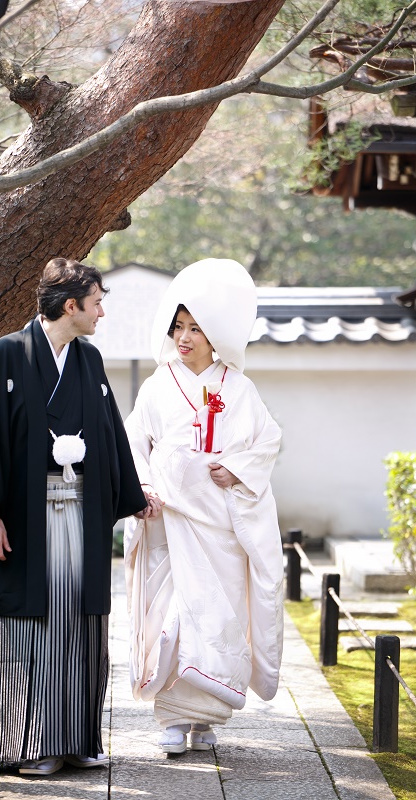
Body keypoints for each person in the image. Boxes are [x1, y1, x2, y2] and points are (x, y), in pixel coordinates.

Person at [0, 258, 148, 776]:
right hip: (25, 518)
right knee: (31, 626)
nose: (102, 312)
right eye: (98, 302)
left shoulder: (88, 360)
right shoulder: (8, 355)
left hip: (79, 514)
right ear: (72, 305)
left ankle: (77, 739)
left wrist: (134, 493)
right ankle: (30, 743)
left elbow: (110, 434)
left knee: (81, 624)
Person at [124, 258, 284, 754]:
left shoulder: (238, 388)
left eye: (195, 328)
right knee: (171, 618)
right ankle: (172, 719)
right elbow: (134, 445)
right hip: (170, 522)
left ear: (215, 335)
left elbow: (267, 442)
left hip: (220, 526)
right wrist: (144, 488)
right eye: (178, 327)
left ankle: (206, 715)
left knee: (216, 617)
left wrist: (235, 468)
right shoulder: (157, 385)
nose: (185, 337)